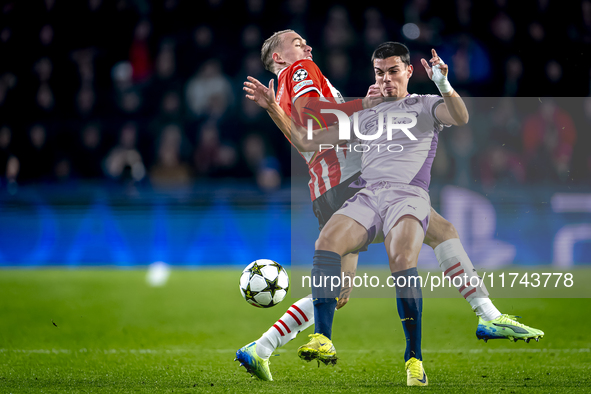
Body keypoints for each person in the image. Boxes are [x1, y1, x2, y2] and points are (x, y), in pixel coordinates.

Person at [236, 33, 544, 385]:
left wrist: (274, 108)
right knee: (428, 236)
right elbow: (311, 118)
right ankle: (475, 321)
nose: (306, 46)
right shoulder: (302, 69)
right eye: (296, 42)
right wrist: (362, 106)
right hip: (349, 181)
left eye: (305, 41)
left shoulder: (293, 84)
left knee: (351, 284)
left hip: (329, 185)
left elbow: (304, 138)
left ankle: (262, 348)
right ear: (278, 56)